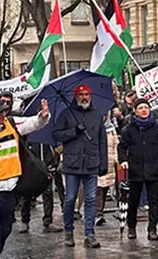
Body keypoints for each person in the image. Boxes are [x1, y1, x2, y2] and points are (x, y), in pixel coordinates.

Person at [0, 97, 49, 258]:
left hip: (10, 190)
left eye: (4, 111)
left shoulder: (11, 123)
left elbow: (32, 123)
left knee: (5, 230)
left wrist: (43, 116)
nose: (2, 114)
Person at [53, 84, 108, 249]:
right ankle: (69, 231)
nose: (84, 97)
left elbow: (102, 140)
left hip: (92, 163)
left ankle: (90, 234)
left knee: (90, 199)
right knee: (70, 199)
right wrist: (74, 131)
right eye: (81, 94)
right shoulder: (66, 114)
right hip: (72, 164)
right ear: (76, 96)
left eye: (86, 94)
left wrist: (103, 163)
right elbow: (57, 135)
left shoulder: (96, 114)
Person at [5, 91, 62, 235]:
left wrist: (56, 154)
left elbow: (56, 136)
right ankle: (25, 221)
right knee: (27, 190)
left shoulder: (50, 117)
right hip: (30, 160)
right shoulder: (21, 119)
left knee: (48, 191)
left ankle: (48, 221)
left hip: (47, 158)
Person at [119, 99, 158, 241]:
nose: (144, 110)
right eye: (140, 108)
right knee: (133, 201)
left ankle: (152, 229)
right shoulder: (129, 128)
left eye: (146, 107)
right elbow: (122, 146)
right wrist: (123, 160)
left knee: (153, 201)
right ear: (135, 111)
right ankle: (131, 227)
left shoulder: (157, 126)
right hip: (135, 169)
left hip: (153, 169)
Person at [95, 111, 119, 227]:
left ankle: (100, 211)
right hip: (97, 163)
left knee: (105, 188)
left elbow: (116, 146)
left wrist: (117, 160)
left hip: (109, 164)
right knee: (98, 188)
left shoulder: (111, 130)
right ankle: (97, 213)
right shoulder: (93, 128)